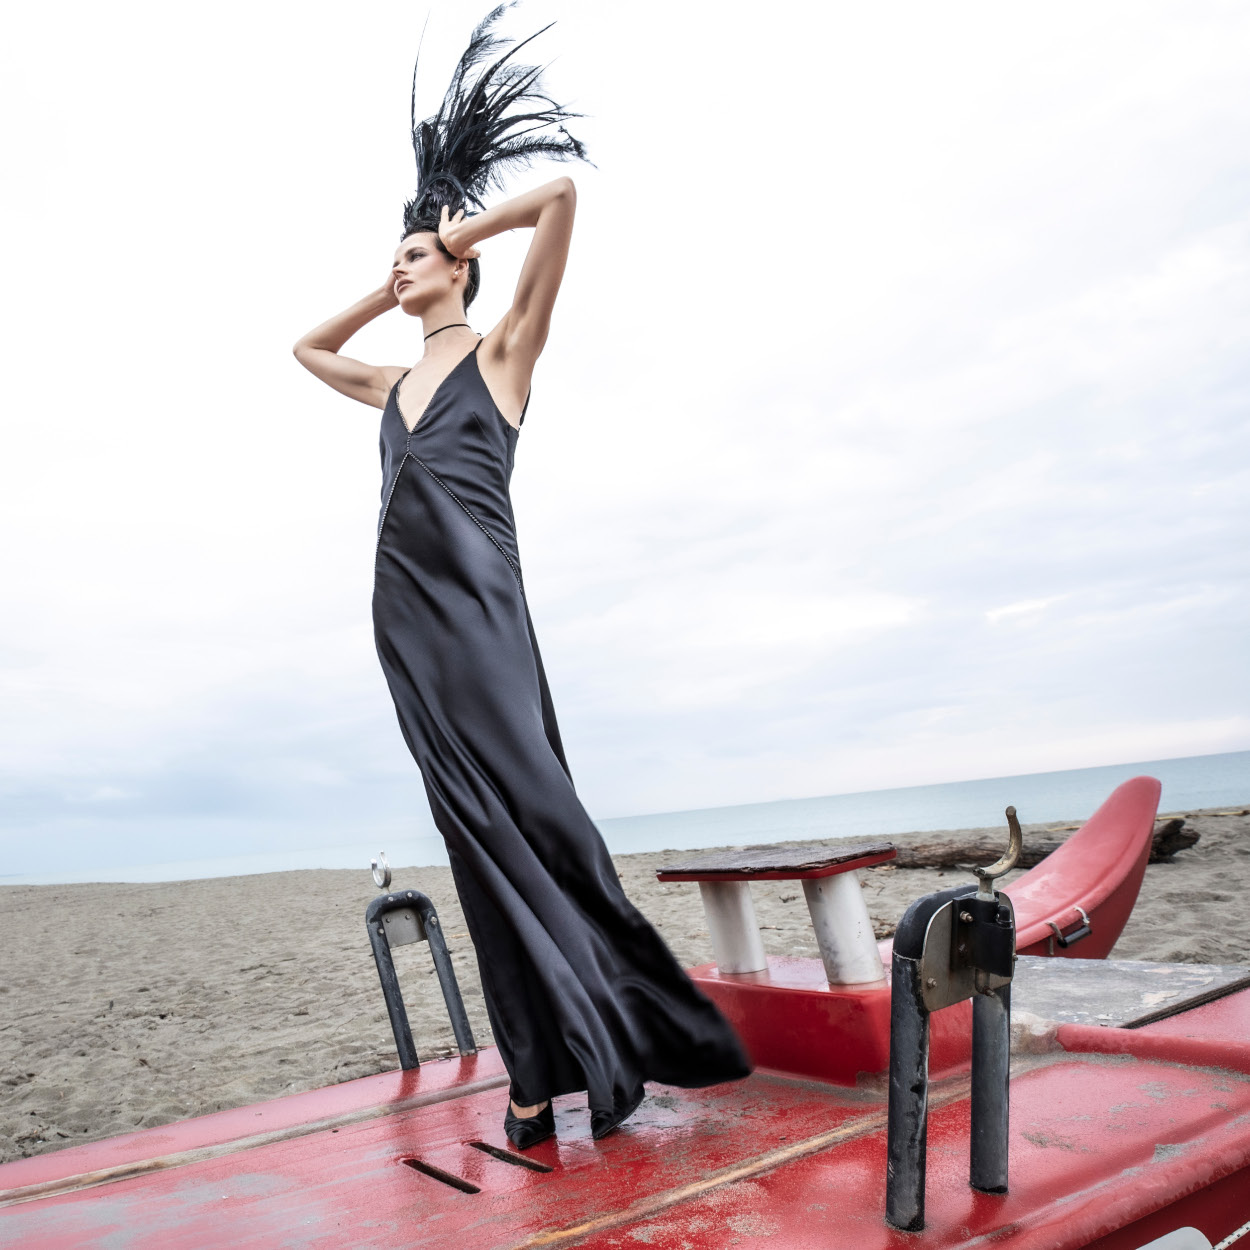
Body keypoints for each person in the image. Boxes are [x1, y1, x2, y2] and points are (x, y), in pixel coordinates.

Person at [293, 8, 750, 1149]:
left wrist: (455, 233)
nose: (400, 267)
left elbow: (560, 200)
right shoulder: (388, 383)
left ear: (460, 268)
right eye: (396, 258)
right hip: (406, 628)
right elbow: (306, 349)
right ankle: (533, 1078)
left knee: (539, 817)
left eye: (415, 258)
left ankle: (629, 1035)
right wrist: (389, 280)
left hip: (485, 620)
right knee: (473, 845)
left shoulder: (501, 355)